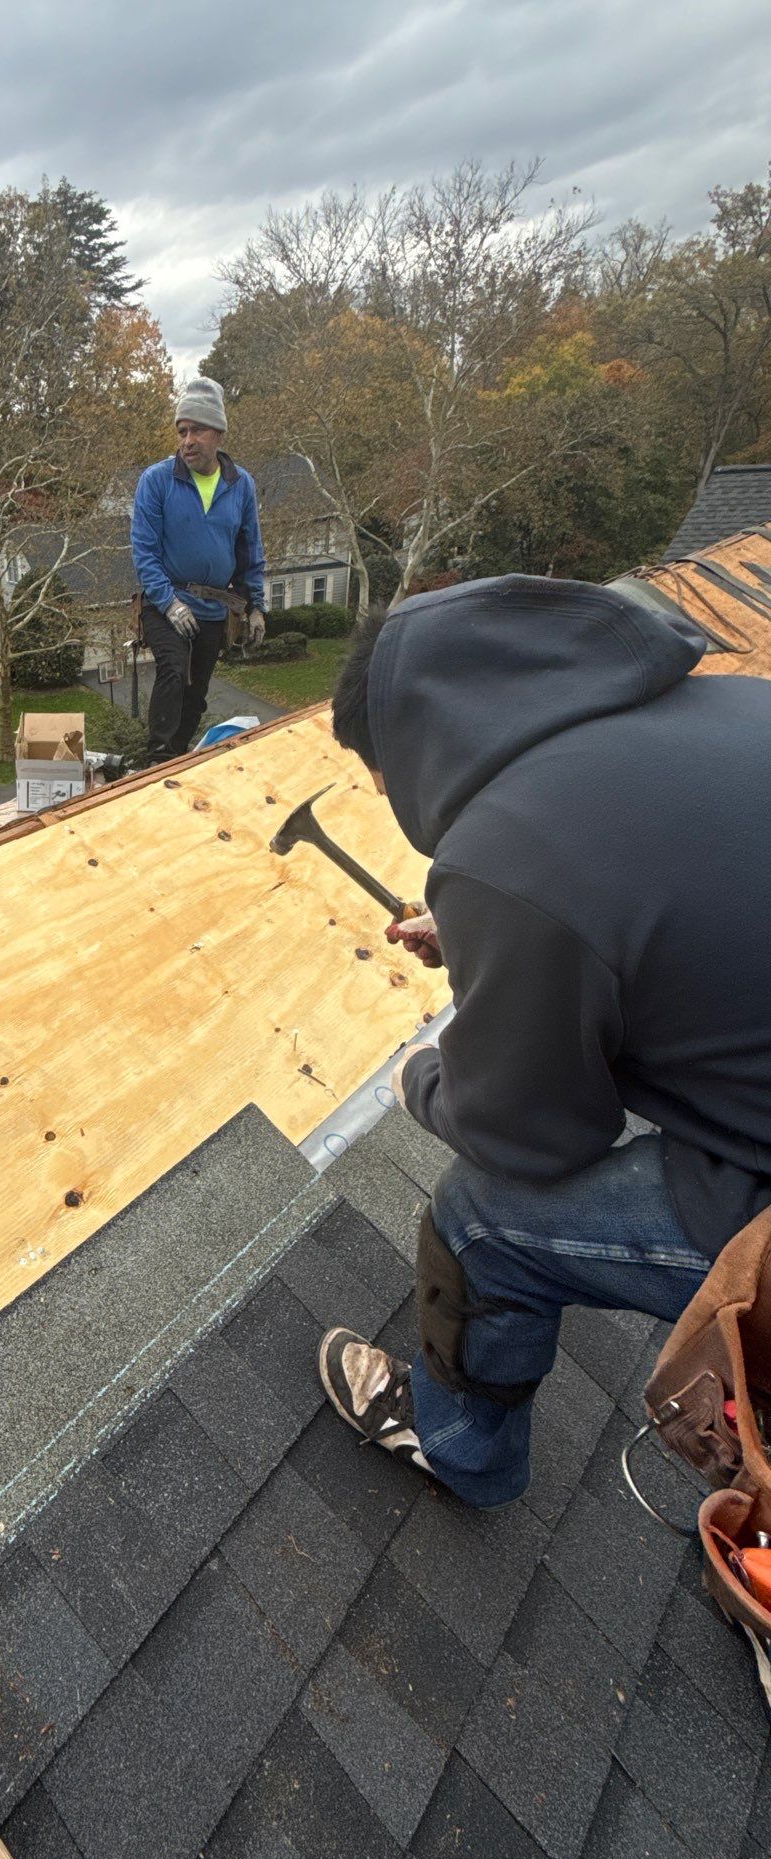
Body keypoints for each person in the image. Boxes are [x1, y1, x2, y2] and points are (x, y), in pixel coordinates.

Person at [316, 577, 771, 1508]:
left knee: (478, 1216)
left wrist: (423, 1083)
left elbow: (540, 1135)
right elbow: (682, 925)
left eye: (382, 777)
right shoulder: (736, 705)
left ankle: (459, 1448)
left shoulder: (508, 851)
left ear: (414, 738)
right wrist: (504, 944)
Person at [129, 376, 266, 762]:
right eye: (182, 431)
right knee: (173, 671)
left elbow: (250, 551)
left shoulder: (241, 486)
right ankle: (155, 760)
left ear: (218, 434)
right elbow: (144, 551)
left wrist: (255, 607)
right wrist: (170, 603)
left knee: (196, 694)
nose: (188, 440)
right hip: (164, 599)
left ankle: (176, 757)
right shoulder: (157, 481)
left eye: (197, 430)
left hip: (212, 608)